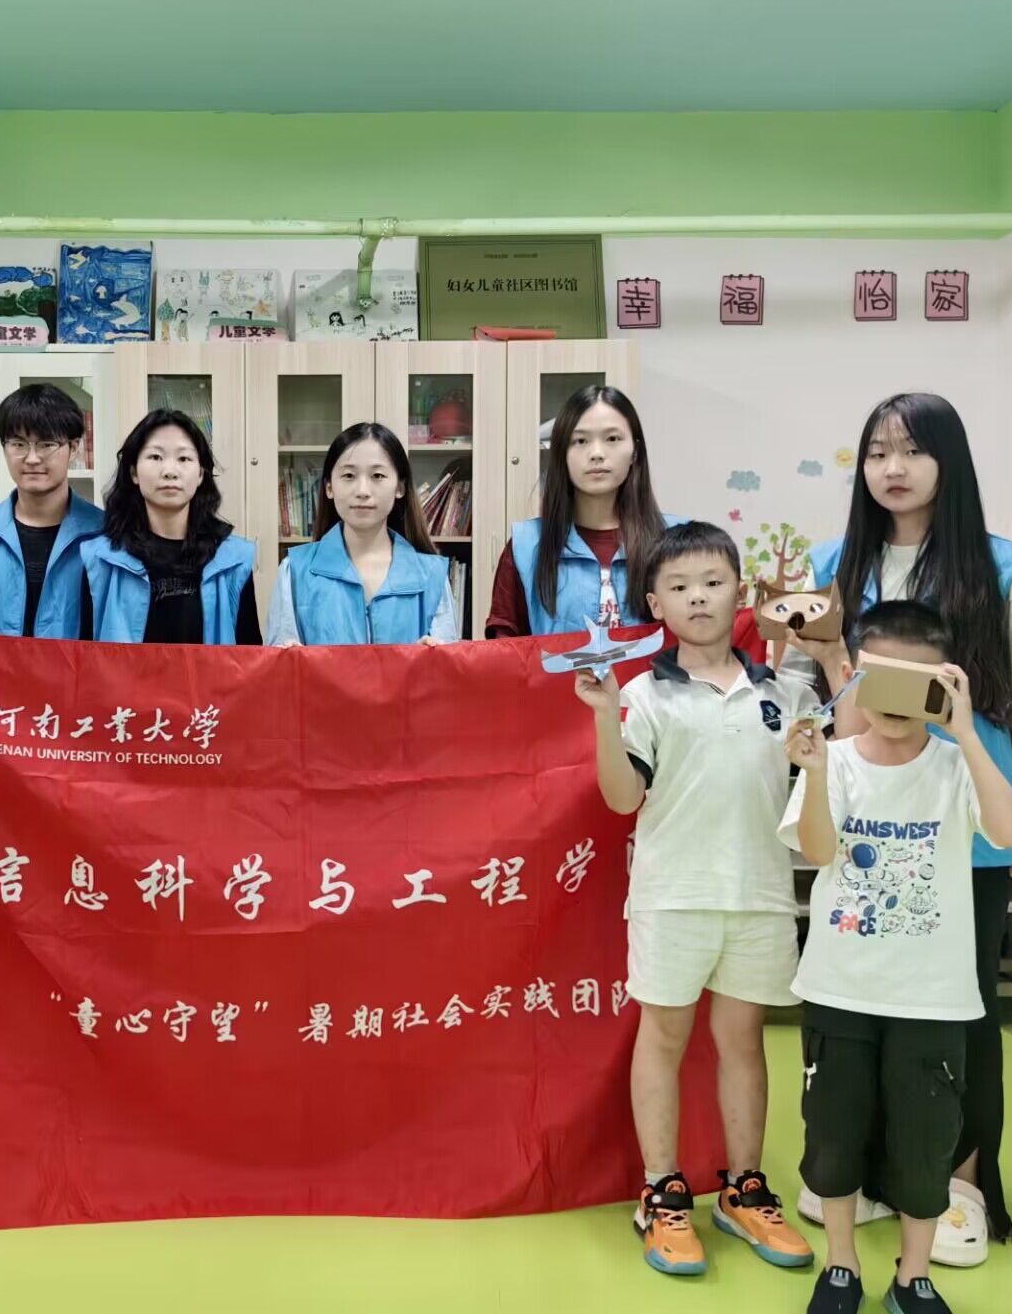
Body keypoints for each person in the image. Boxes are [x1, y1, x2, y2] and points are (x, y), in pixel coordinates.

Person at [785, 393, 1012, 1261]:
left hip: (966, 815)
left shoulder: (1000, 565)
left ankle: (959, 1185)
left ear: (949, 461)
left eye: (910, 451)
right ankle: (862, 1175)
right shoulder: (835, 562)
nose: (892, 468)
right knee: (858, 1005)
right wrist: (826, 662)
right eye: (876, 452)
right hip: (868, 816)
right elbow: (829, 695)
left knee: (963, 1007)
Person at [575, 522, 816, 1279]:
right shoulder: (643, 695)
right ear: (655, 604)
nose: (698, 597)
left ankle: (744, 1189)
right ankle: (661, 1192)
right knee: (665, 1038)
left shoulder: (788, 692)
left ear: (739, 591)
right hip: (672, 897)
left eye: (713, 582)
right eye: (678, 587)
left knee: (743, 1040)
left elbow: (833, 776)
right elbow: (623, 799)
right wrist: (602, 714)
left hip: (761, 895)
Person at [781, 601, 1012, 1314]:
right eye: (881, 678)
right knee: (833, 1137)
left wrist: (966, 731)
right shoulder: (836, 762)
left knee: (925, 1144)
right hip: (839, 989)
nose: (896, 700)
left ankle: (913, 1275)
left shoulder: (954, 767)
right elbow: (818, 850)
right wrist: (816, 771)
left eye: (918, 682)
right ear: (853, 675)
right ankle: (840, 1266)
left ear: (945, 685)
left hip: (933, 998)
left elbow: (1009, 832)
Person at [486, 385, 684, 636]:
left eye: (612, 439)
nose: (597, 454)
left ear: (635, 452)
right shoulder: (526, 545)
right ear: (562, 454)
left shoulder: (678, 540)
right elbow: (504, 647)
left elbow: (708, 638)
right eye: (580, 441)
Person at [264, 422, 458, 646]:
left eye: (377, 475)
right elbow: (279, 660)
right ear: (329, 487)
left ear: (400, 487)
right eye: (348, 475)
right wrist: (288, 658)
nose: (363, 491)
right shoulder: (295, 571)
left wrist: (430, 658)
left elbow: (448, 663)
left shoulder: (432, 576)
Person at [81, 409, 261, 645]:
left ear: (201, 474)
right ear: (134, 472)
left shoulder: (233, 559)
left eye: (184, 459)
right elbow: (80, 655)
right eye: (155, 457)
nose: (169, 472)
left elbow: (249, 654)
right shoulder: (100, 559)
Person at [0, 384, 103, 639]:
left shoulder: (106, 535)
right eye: (18, 444)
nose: (32, 458)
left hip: (76, 667)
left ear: (74, 448)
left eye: (47, 444)